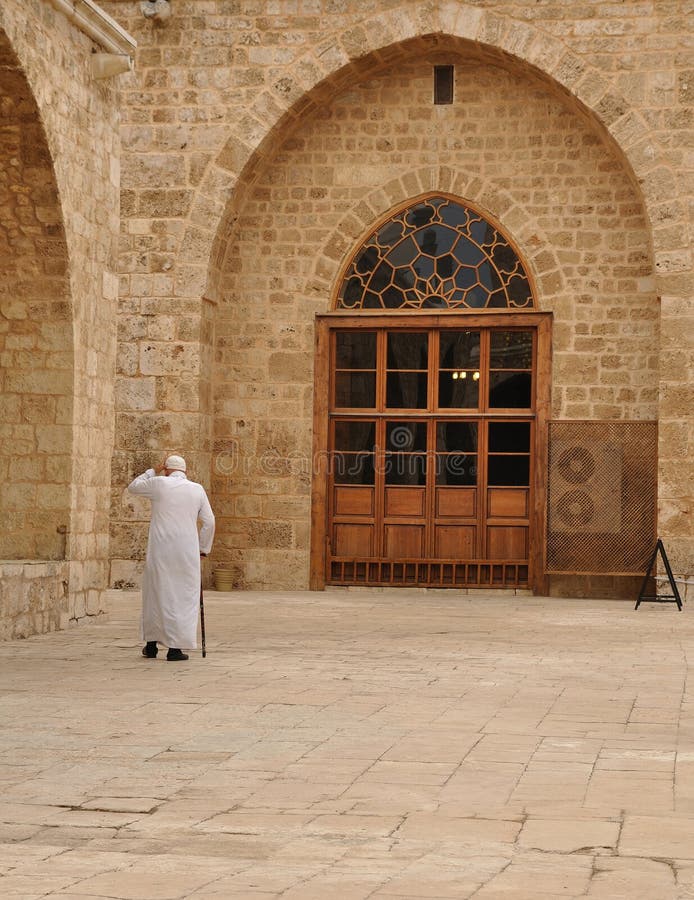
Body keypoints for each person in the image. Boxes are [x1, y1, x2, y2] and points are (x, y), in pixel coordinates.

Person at [127, 454, 215, 661]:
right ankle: (175, 648)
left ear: (167, 469)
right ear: (185, 471)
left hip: (160, 549)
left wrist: (152, 471)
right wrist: (203, 549)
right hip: (187, 551)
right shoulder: (197, 489)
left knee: (155, 593)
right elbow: (209, 521)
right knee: (184, 596)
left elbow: (134, 486)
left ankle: (151, 646)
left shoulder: (159, 483)